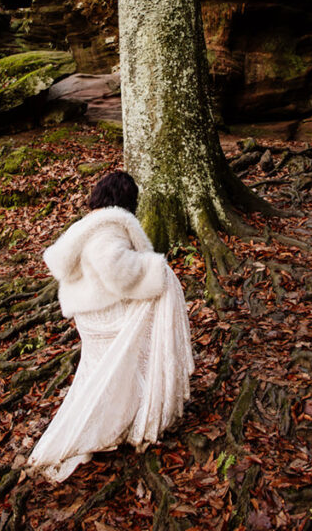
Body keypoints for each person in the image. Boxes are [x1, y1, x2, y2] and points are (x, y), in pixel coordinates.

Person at [25, 171, 194, 482]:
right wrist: (156, 270)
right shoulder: (108, 229)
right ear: (126, 199)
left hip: (89, 317)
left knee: (102, 373)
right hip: (103, 316)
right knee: (126, 354)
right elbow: (113, 268)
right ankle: (116, 422)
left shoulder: (88, 225)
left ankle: (111, 419)